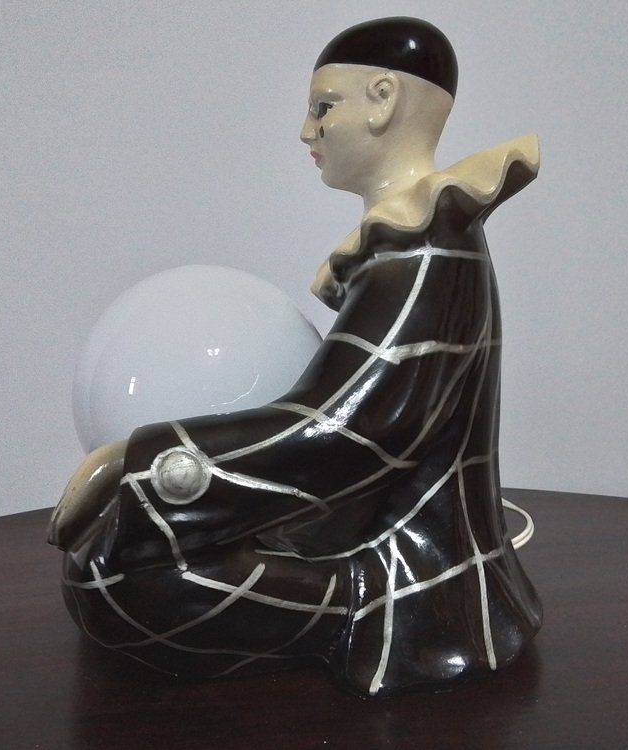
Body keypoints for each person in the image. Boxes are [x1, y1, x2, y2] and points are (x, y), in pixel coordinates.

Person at [47, 17, 542, 697]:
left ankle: (350, 619)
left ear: (383, 100)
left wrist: (138, 460)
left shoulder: (429, 250)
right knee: (113, 554)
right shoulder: (411, 246)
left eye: (323, 108)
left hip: (403, 583)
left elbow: (356, 433)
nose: (307, 132)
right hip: (347, 530)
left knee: (116, 576)